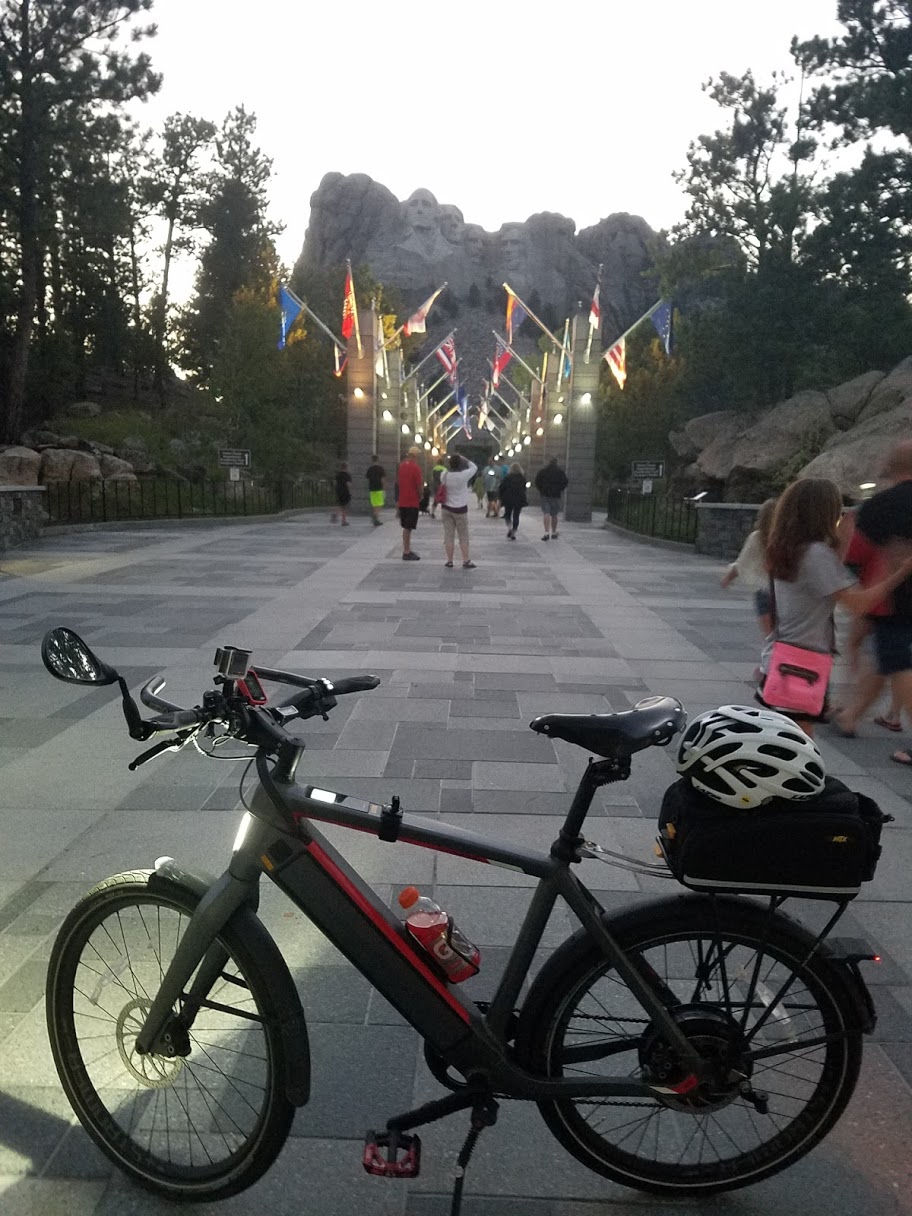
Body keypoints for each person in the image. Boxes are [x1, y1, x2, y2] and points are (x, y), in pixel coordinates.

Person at [759, 477, 912, 738]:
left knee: (786, 739)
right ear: (823, 512)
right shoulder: (816, 554)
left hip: (782, 657)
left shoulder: (789, 548)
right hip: (803, 665)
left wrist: (844, 543)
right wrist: (898, 572)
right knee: (800, 743)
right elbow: (859, 604)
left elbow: (824, 581)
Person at [855, 440, 912, 763]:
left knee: (897, 663)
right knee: (886, 657)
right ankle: (851, 714)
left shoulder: (881, 505)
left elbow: (856, 554)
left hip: (895, 599)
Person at [720, 497, 777, 637]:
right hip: (783, 591)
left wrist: (728, 578)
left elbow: (742, 563)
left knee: (769, 636)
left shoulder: (756, 537)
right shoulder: (786, 537)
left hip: (763, 590)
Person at [439, 453, 478, 569]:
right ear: (460, 464)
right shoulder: (463, 475)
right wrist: (464, 458)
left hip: (446, 508)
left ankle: (449, 561)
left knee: (448, 536)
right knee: (463, 536)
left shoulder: (444, 475)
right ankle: (465, 560)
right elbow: (474, 467)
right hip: (460, 509)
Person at [396, 446, 424, 561]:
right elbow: (419, 485)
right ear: (415, 456)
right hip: (412, 501)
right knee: (408, 527)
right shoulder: (416, 468)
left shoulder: (401, 466)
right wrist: (421, 496)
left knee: (406, 527)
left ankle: (407, 549)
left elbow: (398, 483)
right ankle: (406, 551)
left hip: (403, 501)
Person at [534, 457, 569, 540]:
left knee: (546, 513)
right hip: (556, 495)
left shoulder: (543, 471)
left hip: (545, 495)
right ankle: (553, 532)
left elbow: (537, 481)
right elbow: (565, 482)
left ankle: (546, 532)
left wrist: (541, 489)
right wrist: (559, 489)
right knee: (554, 514)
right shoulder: (560, 472)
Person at [499, 463, 528, 539]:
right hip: (519, 499)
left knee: (507, 514)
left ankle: (510, 527)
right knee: (516, 515)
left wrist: (500, 497)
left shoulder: (507, 477)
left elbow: (501, 487)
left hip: (508, 498)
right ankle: (514, 532)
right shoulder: (522, 478)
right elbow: (524, 488)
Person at [365, 455, 385, 527]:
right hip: (379, 488)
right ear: (378, 460)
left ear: (372, 460)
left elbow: (368, 479)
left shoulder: (369, 469)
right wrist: (383, 488)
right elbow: (382, 479)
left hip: (372, 489)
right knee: (379, 504)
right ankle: (375, 517)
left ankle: (375, 517)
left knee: (374, 504)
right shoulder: (380, 469)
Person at [332, 461, 351, 526]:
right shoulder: (347, 475)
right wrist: (349, 490)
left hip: (338, 491)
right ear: (346, 467)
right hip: (345, 491)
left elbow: (335, 483)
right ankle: (343, 521)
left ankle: (336, 513)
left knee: (340, 504)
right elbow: (348, 484)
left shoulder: (338, 475)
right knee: (344, 507)